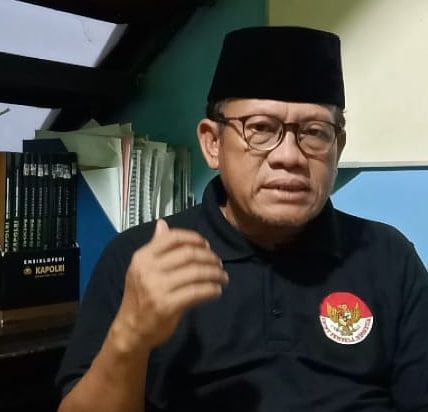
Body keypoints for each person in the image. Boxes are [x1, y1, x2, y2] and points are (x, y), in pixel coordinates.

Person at [56, 26, 428, 412]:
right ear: (213, 143)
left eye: (315, 132)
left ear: (339, 147)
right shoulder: (140, 258)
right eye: (261, 129)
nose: (289, 156)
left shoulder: (388, 257)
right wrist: (130, 334)